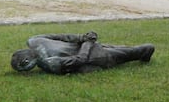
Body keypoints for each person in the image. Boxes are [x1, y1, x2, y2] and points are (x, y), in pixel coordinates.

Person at [11, 31, 155, 75]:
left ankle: (143, 52)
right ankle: (146, 51)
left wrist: (82, 38)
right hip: (96, 57)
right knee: (135, 51)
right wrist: (87, 42)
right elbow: (80, 60)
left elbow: (62, 37)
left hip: (92, 49)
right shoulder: (50, 63)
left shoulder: (34, 41)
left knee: (125, 49)